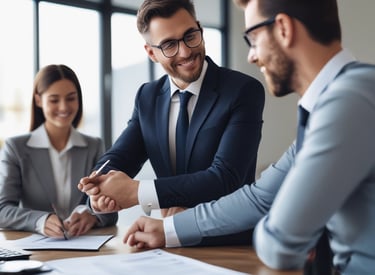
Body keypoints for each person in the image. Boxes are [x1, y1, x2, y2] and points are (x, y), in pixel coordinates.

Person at [122, 0, 375, 273]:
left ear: (283, 29)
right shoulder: (333, 102)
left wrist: (276, 224)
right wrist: (168, 229)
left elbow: (280, 244)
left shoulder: (352, 98)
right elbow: (259, 198)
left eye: (253, 38)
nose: (251, 56)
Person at [78, 0, 265, 245]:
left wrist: (137, 193)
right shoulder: (147, 97)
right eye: (169, 45)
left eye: (190, 36)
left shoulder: (243, 91)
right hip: (165, 242)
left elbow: (225, 178)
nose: (185, 52)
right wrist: (100, 187)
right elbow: (121, 156)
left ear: (200, 29)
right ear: (151, 52)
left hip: (228, 242)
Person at [0, 64, 118, 238]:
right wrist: (40, 221)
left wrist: (92, 216)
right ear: (39, 100)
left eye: (71, 98)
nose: (64, 107)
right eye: (54, 100)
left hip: (85, 248)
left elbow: (110, 210)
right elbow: (3, 210)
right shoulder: (16, 148)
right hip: (39, 251)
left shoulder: (94, 146)